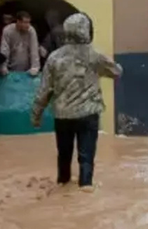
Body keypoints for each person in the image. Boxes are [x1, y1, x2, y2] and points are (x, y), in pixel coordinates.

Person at [31, 12, 123, 191]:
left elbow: (44, 90)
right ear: (86, 31)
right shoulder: (94, 55)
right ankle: (85, 187)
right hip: (88, 114)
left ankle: (62, 185)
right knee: (86, 155)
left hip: (62, 115)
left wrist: (36, 115)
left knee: (63, 155)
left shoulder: (54, 57)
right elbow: (116, 71)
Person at [0, 10, 40, 76]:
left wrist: (35, 67)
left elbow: (34, 50)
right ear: (18, 22)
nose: (28, 25)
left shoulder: (31, 31)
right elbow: (4, 50)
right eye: (25, 22)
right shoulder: (7, 31)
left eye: (29, 22)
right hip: (10, 69)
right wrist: (3, 66)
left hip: (27, 70)